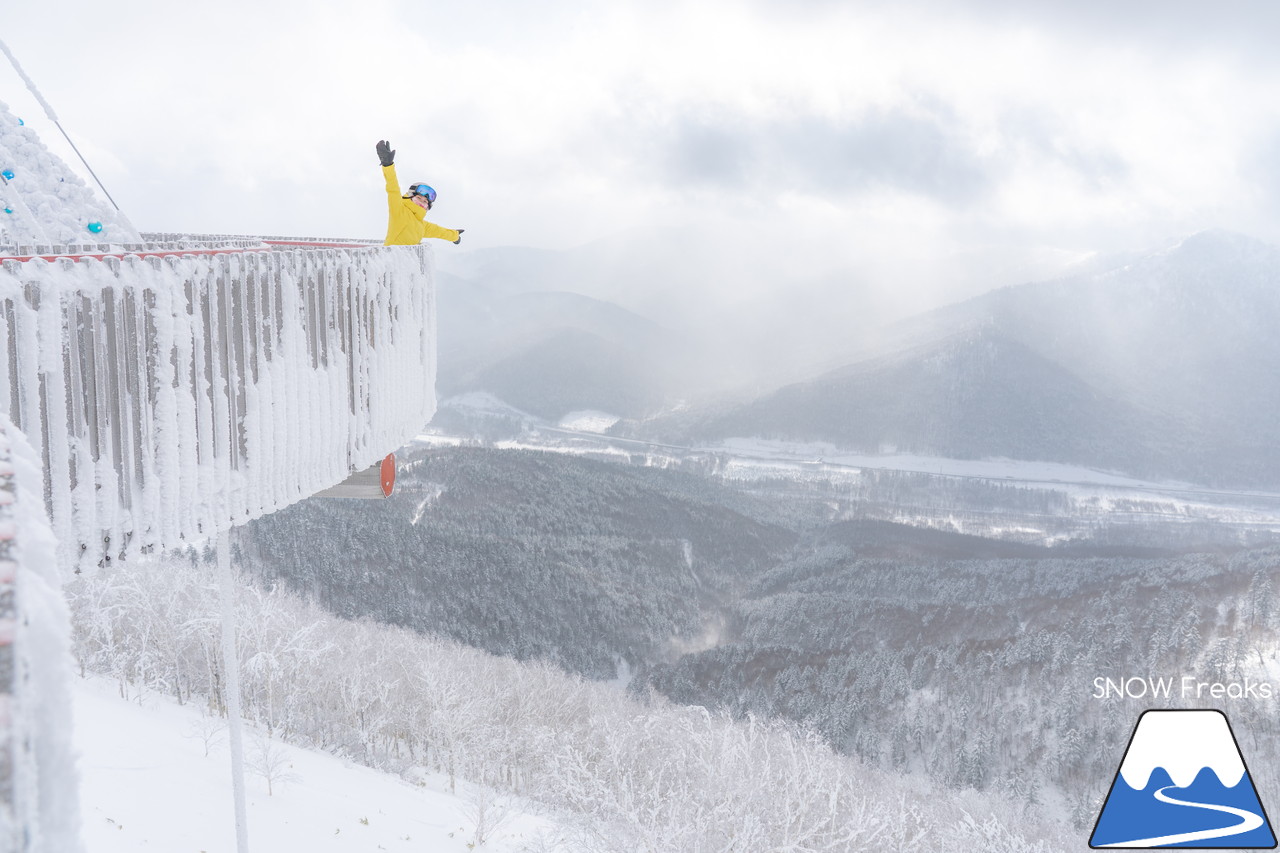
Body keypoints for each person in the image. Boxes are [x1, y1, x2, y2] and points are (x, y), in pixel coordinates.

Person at [376, 140, 465, 247]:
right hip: (391, 260)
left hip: (408, 263)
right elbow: (393, 188)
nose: (422, 202)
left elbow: (439, 231)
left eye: (425, 201)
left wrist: (454, 236)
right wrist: (388, 165)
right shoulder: (399, 210)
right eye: (419, 198)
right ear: (410, 196)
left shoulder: (421, 224)